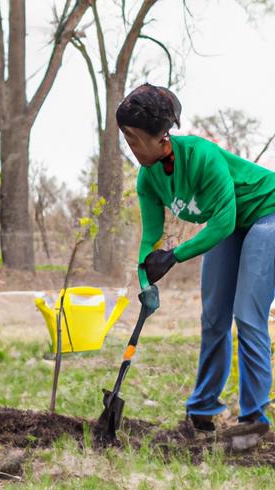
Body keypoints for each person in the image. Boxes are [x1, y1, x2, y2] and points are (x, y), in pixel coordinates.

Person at [115, 83, 275, 441]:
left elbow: (223, 221)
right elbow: (150, 237)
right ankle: (203, 408)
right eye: (126, 137)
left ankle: (254, 418)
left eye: (135, 138)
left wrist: (174, 256)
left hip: (268, 214)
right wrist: (146, 281)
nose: (131, 146)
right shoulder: (149, 178)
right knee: (213, 316)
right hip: (231, 226)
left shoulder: (202, 155)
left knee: (247, 314)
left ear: (162, 138)